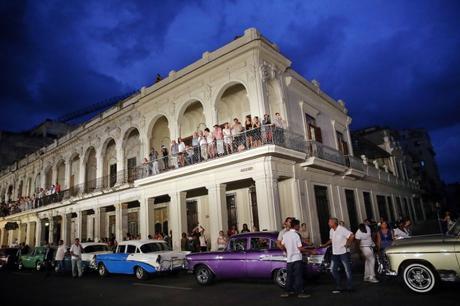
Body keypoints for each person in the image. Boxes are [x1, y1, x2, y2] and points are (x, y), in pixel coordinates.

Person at [321, 217, 354, 293]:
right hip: (335, 253)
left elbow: (351, 236)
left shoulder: (342, 229)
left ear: (334, 223)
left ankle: (350, 286)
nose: (328, 223)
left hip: (343, 252)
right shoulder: (331, 230)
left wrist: (348, 244)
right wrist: (324, 245)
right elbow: (331, 240)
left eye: (329, 222)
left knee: (347, 270)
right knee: (332, 269)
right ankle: (339, 286)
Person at [280, 219, 310, 299]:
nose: (299, 227)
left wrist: (287, 250)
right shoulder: (296, 235)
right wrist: (310, 251)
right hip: (296, 258)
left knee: (289, 276)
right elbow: (300, 248)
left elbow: (281, 245)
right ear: (296, 226)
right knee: (298, 276)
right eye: (298, 225)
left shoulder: (285, 234)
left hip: (289, 259)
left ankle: (287, 291)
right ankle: (300, 292)